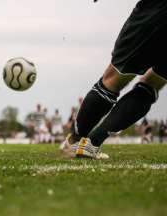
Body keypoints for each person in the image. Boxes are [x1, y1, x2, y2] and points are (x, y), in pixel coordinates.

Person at [61, 0, 167, 159]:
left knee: (113, 78)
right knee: (153, 83)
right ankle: (92, 143)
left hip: (158, 10)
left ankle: (75, 141)